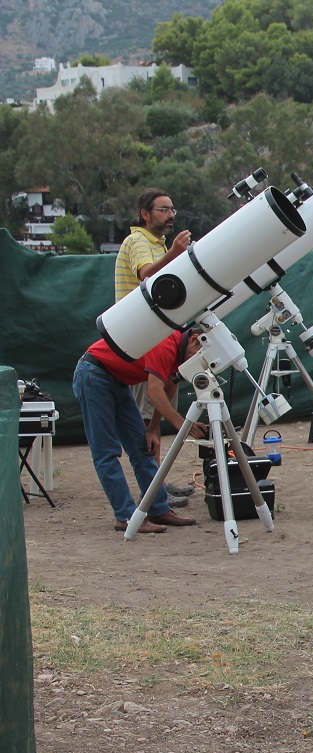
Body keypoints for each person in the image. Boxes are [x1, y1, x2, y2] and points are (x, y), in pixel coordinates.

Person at [72, 330, 207, 533]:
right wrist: (182, 424)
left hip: (118, 381)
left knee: (144, 448)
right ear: (195, 340)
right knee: (106, 452)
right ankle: (126, 516)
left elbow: (170, 387)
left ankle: (157, 508)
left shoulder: (179, 353)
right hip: (94, 374)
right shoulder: (165, 343)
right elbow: (154, 391)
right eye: (199, 354)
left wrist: (152, 428)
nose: (196, 361)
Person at [114, 189, 196, 503]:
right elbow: (147, 275)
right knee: (142, 421)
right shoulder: (137, 242)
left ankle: (157, 481)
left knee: (152, 420)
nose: (170, 214)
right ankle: (153, 492)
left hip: (156, 339)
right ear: (145, 214)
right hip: (139, 341)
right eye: (163, 209)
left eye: (172, 208)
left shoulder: (158, 245)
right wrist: (175, 252)